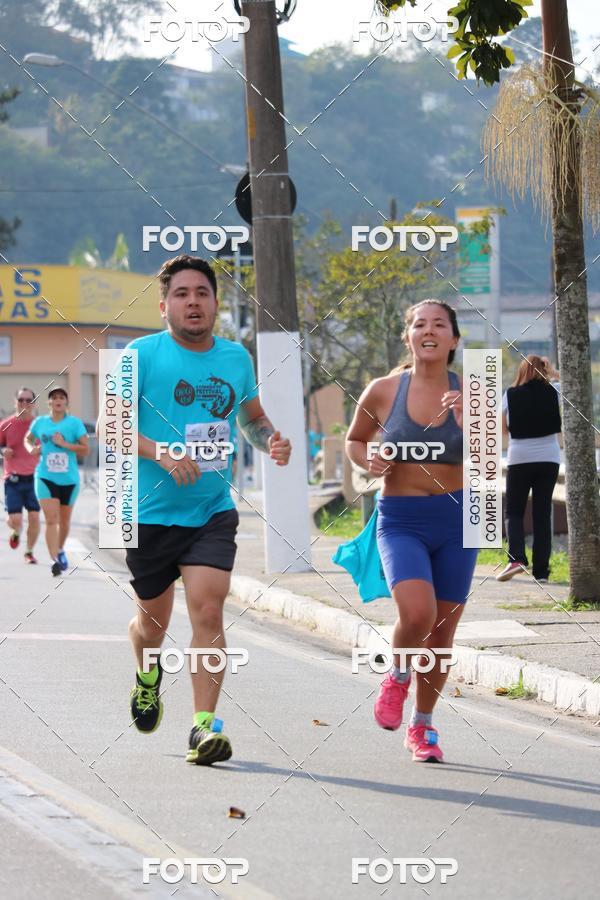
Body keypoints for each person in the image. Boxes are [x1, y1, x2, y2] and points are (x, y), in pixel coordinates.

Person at [118, 255, 291, 766]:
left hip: (212, 509)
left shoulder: (236, 358)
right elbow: (113, 427)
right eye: (181, 294)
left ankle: (202, 728)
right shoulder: (139, 355)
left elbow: (252, 417)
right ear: (164, 305)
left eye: (202, 293)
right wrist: (162, 453)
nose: (193, 301)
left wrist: (270, 440)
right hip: (149, 513)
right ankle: (148, 676)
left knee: (209, 611)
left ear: (216, 303)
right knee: (151, 626)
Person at [345, 299, 476, 763]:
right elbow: (355, 440)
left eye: (440, 324)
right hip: (401, 517)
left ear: (454, 340)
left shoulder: (473, 389)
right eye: (420, 323)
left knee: (441, 635)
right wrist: (370, 461)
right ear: (408, 337)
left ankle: (422, 728)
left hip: (459, 520)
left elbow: (493, 452)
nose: (429, 330)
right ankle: (398, 676)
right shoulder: (383, 389)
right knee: (416, 613)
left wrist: (468, 421)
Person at [496, 355, 561, 584]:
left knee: (514, 511)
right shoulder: (556, 390)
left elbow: (503, 430)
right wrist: (553, 373)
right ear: (545, 370)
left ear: (522, 371)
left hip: (519, 459)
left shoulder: (510, 395)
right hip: (549, 459)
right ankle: (541, 572)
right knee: (542, 514)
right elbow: (573, 388)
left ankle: (517, 559)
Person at [24, 388, 89, 577]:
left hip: (69, 480)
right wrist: (31, 449)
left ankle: (59, 549)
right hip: (45, 477)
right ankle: (54, 560)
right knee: (52, 520)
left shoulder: (74, 424)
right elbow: (28, 439)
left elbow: (85, 450)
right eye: (54, 398)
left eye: (62, 397)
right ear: (49, 403)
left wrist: (65, 444)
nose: (58, 400)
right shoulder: (40, 422)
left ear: (66, 403)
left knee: (65, 521)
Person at [0, 386, 41, 563]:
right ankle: (16, 531)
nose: (24, 403)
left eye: (28, 400)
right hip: (13, 479)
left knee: (34, 516)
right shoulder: (6, 424)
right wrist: (3, 452)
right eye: (21, 400)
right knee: (16, 520)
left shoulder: (39, 425)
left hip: (35, 478)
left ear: (33, 403)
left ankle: (29, 552)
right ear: (15, 402)